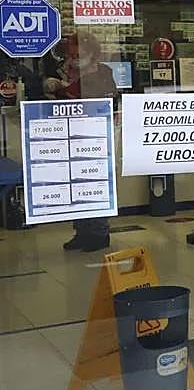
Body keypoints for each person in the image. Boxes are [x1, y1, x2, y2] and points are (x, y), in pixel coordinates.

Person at [43, 33, 117, 253]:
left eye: (77, 54)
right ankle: (82, 231)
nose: (73, 58)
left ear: (91, 53)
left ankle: (98, 233)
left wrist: (68, 87)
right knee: (76, 182)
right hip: (71, 134)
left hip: (96, 135)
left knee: (94, 182)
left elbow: (106, 97)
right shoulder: (65, 71)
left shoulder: (103, 72)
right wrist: (52, 87)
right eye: (70, 54)